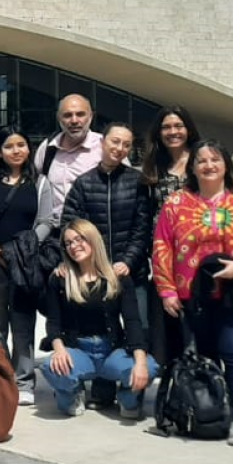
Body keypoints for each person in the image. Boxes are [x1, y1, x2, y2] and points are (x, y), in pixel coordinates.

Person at [153, 139, 233, 447]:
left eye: (215, 160)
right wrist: (167, 290)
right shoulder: (177, 203)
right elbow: (162, 245)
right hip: (194, 296)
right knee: (205, 357)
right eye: (202, 161)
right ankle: (212, 411)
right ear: (192, 167)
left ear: (226, 165)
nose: (208, 165)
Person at [0, 124, 53, 406]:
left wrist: (23, 250)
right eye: (9, 146)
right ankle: (0, 375)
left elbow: (46, 222)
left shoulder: (40, 182)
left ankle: (24, 381)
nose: (16, 151)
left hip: (24, 265)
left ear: (29, 149)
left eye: (21, 145)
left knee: (23, 323)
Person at [39, 219, 157, 419]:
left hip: (111, 351)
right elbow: (54, 323)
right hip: (79, 350)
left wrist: (140, 361)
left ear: (92, 239)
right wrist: (59, 349)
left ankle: (127, 398)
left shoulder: (117, 277)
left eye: (79, 239)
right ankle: (72, 394)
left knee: (150, 366)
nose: (74, 246)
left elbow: (132, 322)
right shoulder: (60, 278)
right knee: (51, 367)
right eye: (68, 243)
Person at [61, 122, 151, 324]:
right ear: (102, 142)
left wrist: (128, 261)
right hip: (94, 275)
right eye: (115, 141)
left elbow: (142, 228)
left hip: (131, 273)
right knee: (100, 335)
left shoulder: (137, 181)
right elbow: (70, 225)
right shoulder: (84, 183)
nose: (120, 149)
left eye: (126, 145)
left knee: (139, 331)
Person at [141, 105, 202, 368]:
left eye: (178, 126)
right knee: (168, 325)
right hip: (164, 254)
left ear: (188, 129)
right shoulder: (154, 165)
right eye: (166, 127)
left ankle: (204, 385)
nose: (173, 132)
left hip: (198, 254)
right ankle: (175, 385)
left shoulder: (202, 160)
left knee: (198, 326)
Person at [33, 94, 103, 228]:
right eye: (67, 115)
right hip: (55, 234)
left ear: (91, 116)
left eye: (80, 114)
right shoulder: (48, 149)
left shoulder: (104, 146)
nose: (74, 120)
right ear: (59, 118)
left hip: (95, 233)